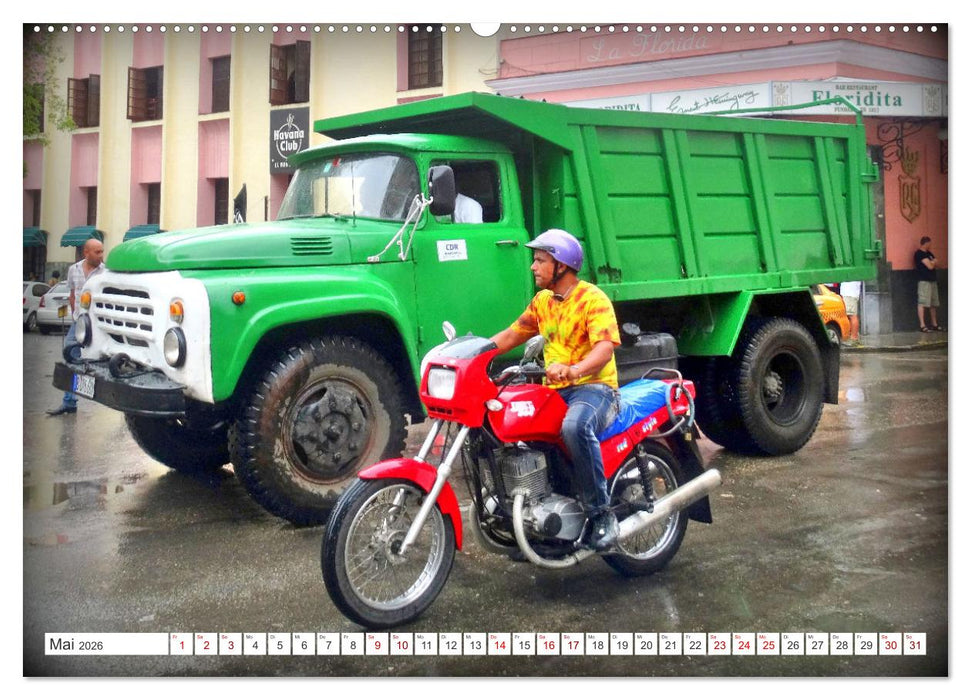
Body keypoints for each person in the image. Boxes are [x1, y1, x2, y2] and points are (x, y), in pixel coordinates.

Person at [490, 229, 622, 551]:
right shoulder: (543, 302)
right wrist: (475, 353)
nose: (533, 267)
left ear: (561, 266)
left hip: (595, 388)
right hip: (556, 390)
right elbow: (512, 335)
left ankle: (601, 513)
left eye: (540, 260)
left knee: (575, 426)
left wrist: (574, 370)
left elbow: (604, 349)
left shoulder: (593, 299)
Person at [47, 238, 105, 416]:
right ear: (86, 253)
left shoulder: (105, 272)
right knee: (70, 355)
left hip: (98, 324)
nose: (101, 255)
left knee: (104, 360)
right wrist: (75, 315)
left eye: (102, 251)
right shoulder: (74, 270)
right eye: (97, 252)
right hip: (79, 322)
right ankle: (69, 402)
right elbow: (73, 294)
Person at [914, 236, 942, 332]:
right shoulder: (919, 254)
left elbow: (938, 263)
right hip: (924, 281)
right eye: (930, 243)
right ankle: (922, 325)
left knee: (933, 303)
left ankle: (934, 324)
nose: (931, 245)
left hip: (932, 280)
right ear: (926, 243)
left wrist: (933, 262)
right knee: (922, 302)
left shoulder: (929, 253)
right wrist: (933, 262)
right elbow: (930, 266)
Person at [840, 280, 862, 345]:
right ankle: (853, 336)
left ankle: (854, 338)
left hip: (849, 294)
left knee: (852, 315)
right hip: (849, 294)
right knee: (850, 316)